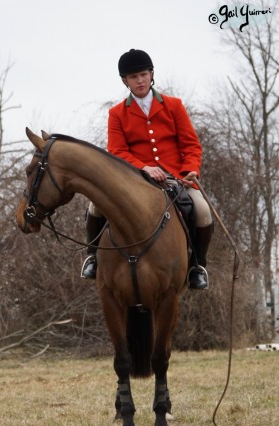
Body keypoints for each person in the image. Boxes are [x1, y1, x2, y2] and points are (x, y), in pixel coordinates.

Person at [81, 49, 213, 289]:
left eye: (143, 74)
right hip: (134, 179)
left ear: (151, 75)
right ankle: (92, 256)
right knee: (96, 205)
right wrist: (144, 167)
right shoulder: (117, 113)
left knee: (203, 210)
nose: (139, 80)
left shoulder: (174, 106)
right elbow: (117, 151)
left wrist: (189, 171)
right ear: (125, 81)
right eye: (133, 77)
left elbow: (191, 145)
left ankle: (197, 266)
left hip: (176, 179)